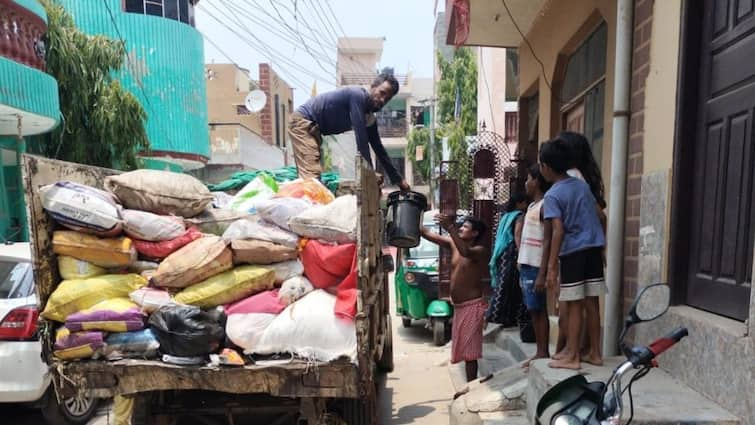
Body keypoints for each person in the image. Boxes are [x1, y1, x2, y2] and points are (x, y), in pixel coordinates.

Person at [539, 139, 606, 370]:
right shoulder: (582, 185)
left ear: (546, 167)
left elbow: (557, 231)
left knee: (574, 304)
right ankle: (595, 353)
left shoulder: (552, 195)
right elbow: (599, 216)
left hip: (574, 252)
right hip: (594, 248)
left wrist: (551, 267)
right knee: (593, 303)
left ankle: (573, 356)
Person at [287, 69, 410, 191]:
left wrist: (399, 180)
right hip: (303, 123)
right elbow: (361, 141)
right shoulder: (357, 96)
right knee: (312, 178)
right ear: (373, 87)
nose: (383, 100)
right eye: (382, 93)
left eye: (387, 98)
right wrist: (370, 176)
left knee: (313, 179)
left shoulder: (369, 118)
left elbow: (379, 149)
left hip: (315, 131)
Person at [420, 215, 489, 385]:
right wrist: (416, 212)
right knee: (466, 351)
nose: (461, 229)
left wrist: (450, 227)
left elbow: (466, 252)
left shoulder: (480, 250)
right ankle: (469, 386)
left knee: (470, 352)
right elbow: (427, 233)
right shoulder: (454, 244)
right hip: (459, 307)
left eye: (465, 227)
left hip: (472, 306)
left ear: (475, 233)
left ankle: (470, 387)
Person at [518, 164, 552, 367]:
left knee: (539, 308)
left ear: (537, 181)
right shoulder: (532, 206)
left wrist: (543, 271)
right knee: (532, 308)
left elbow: (547, 238)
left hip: (536, 264)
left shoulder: (545, 205)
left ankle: (543, 351)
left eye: (529, 178)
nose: (526, 183)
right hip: (526, 263)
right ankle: (540, 350)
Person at [484, 193, 528, 327]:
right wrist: (521, 254)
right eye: (525, 202)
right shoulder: (519, 216)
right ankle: (498, 315)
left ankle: (500, 315)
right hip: (511, 253)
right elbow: (517, 235)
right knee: (511, 285)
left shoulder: (505, 217)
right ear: (519, 203)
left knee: (503, 284)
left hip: (502, 253)